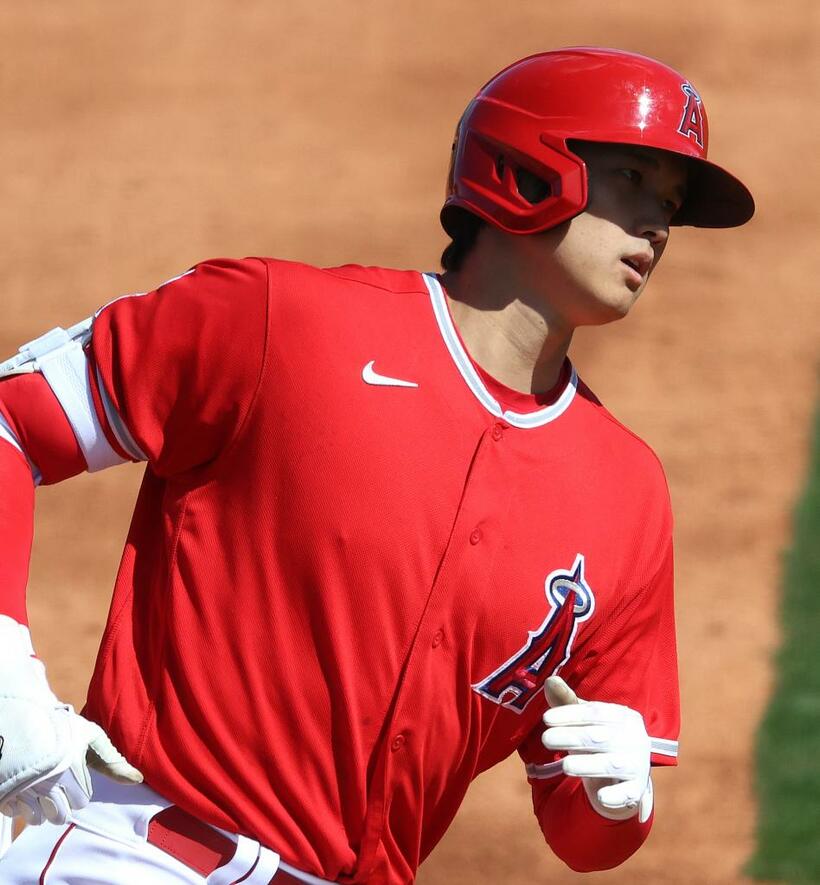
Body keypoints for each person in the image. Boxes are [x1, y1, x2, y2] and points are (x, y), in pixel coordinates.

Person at [0, 47, 753, 884]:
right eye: (633, 180)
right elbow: (10, 421)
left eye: (673, 205)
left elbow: (585, 839)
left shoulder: (628, 492)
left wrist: (623, 796)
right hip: (137, 859)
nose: (657, 225)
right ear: (528, 171)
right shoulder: (281, 324)